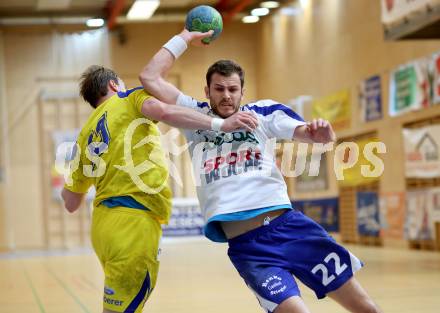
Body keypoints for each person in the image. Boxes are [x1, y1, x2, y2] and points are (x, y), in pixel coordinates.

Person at [139, 29, 383, 313]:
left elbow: (311, 135)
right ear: (207, 92)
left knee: (366, 308)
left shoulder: (263, 113)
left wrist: (322, 133)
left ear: (243, 91)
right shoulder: (195, 118)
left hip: (291, 230)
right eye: (219, 89)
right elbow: (150, 77)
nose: (226, 96)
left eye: (233, 89)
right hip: (249, 249)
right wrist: (185, 37)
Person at [61, 64, 258, 313]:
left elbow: (70, 202)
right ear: (113, 85)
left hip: (102, 227)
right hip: (133, 222)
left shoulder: (86, 133)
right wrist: (220, 124)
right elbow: (163, 111)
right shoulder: (128, 97)